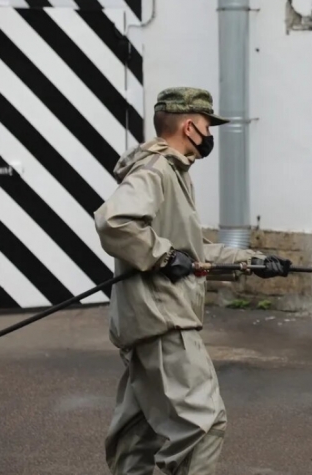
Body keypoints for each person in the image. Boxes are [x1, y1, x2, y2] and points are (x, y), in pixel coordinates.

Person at [93, 87, 291, 474]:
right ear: (189, 126)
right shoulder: (156, 171)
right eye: (206, 125)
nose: (209, 133)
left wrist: (255, 261)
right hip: (163, 320)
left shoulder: (173, 172)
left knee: (139, 436)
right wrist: (163, 256)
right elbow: (114, 222)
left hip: (150, 321)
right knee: (204, 423)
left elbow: (192, 252)